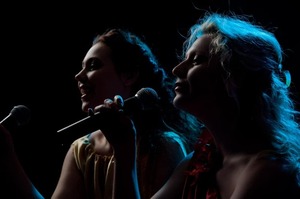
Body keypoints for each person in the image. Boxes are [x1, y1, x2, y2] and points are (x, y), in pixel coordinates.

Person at [94, 12, 300, 199]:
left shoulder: (269, 171)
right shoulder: (199, 163)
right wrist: (123, 149)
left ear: (235, 77)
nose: (176, 70)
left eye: (196, 60)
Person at [0, 28, 202, 199]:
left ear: (129, 75)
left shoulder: (164, 148)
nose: (79, 76)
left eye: (93, 66)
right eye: (82, 68)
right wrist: (5, 154)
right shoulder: (82, 149)